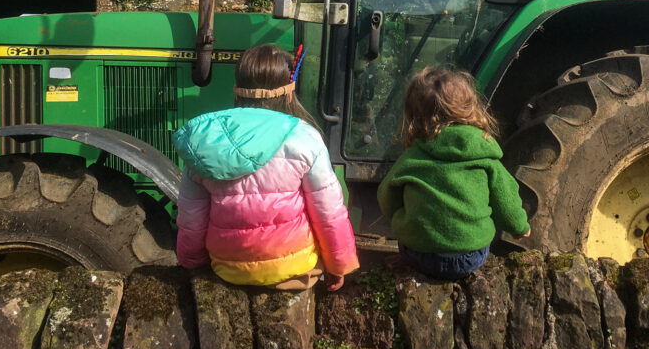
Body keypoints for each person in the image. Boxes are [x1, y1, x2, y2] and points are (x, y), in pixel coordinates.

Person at [173, 44, 359, 290]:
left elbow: (191, 217)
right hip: (292, 271)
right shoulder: (303, 137)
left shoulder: (206, 140)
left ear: (237, 90)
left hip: (227, 270)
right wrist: (338, 266)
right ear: (288, 93)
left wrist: (192, 263)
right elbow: (328, 212)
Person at [377, 66, 530, 280]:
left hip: (417, 255)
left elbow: (386, 200)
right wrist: (520, 227)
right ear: (471, 108)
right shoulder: (484, 155)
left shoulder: (412, 156)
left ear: (414, 115)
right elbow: (507, 204)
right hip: (470, 257)